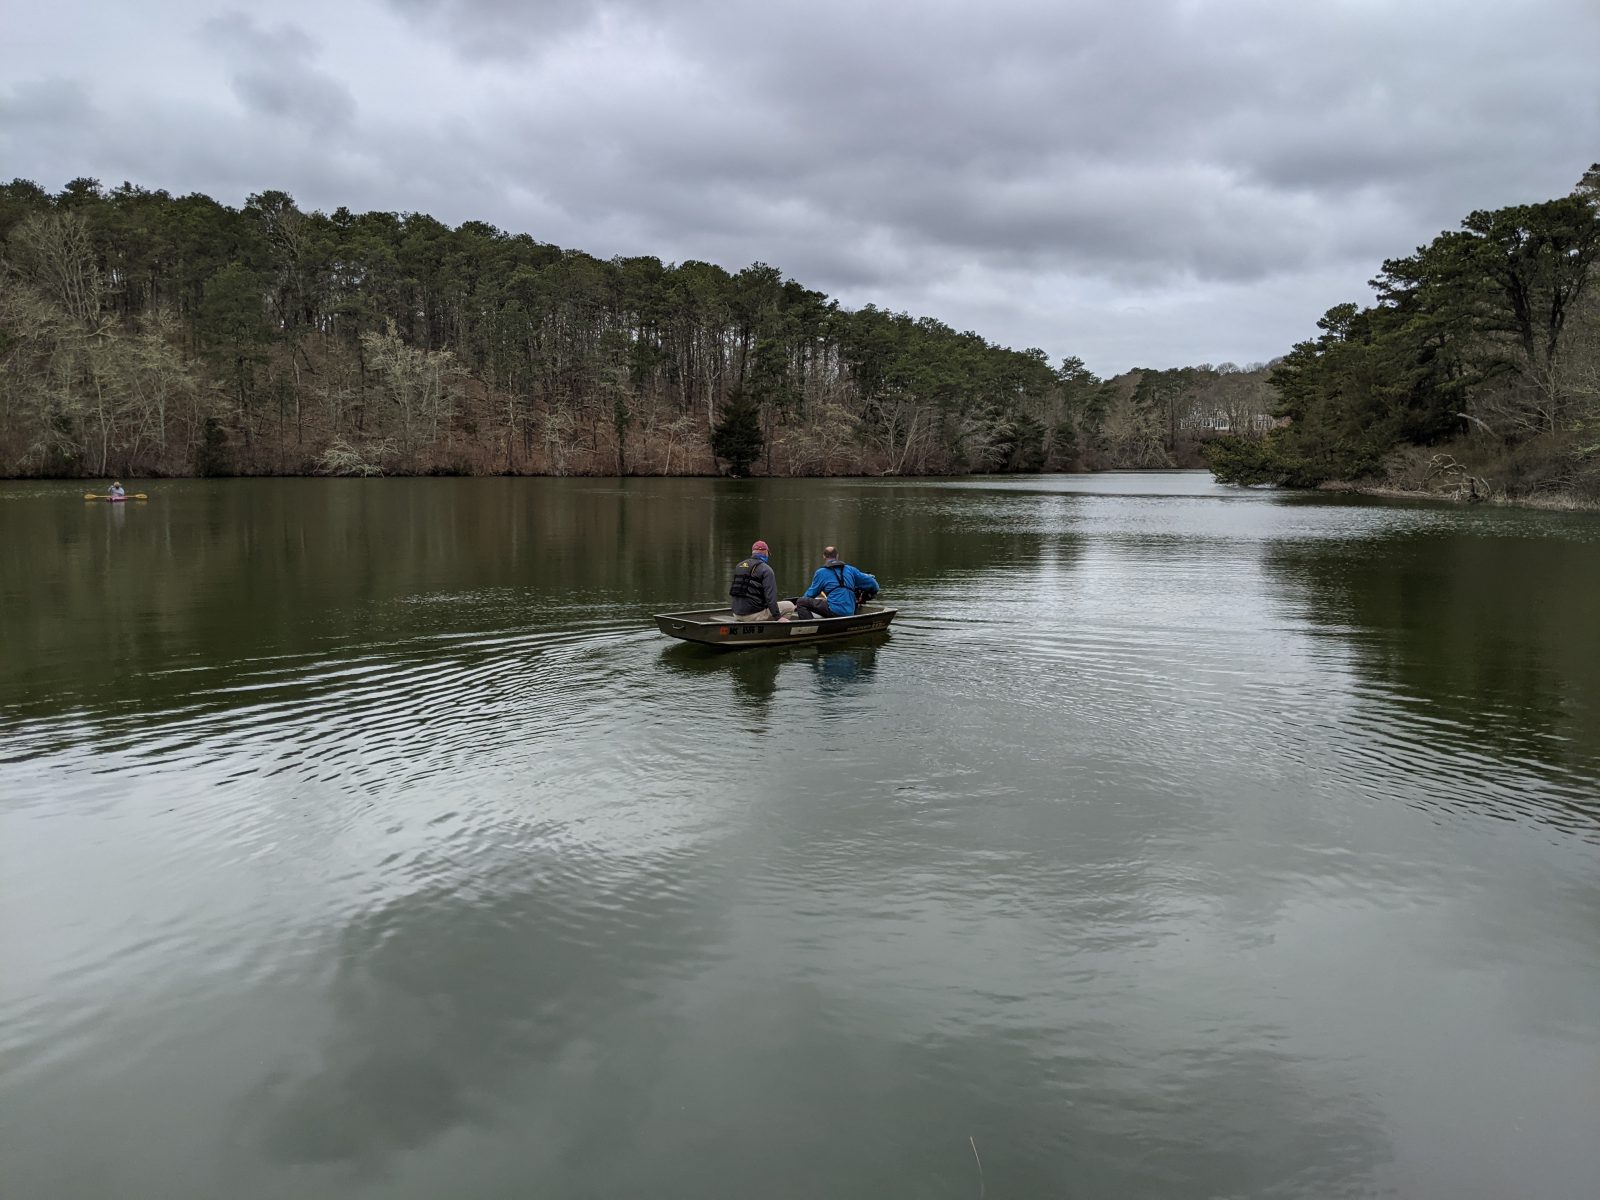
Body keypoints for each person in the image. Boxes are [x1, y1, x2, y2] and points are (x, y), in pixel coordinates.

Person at [794, 546, 879, 619]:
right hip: (851, 611)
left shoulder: (821, 572)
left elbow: (811, 594)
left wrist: (797, 606)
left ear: (824, 556)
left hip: (835, 611)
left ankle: (810, 628)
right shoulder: (851, 569)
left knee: (801, 602)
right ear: (837, 556)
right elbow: (874, 585)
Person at [728, 539, 795, 622]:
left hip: (736, 614)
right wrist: (778, 617)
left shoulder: (739, 566)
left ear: (753, 552)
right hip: (752, 616)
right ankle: (772, 629)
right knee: (790, 606)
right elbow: (770, 597)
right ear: (766, 552)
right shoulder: (766, 570)